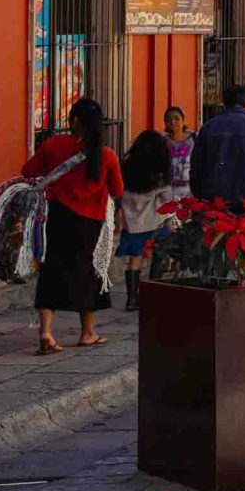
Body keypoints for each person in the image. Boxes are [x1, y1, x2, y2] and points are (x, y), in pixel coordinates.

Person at [21, 99, 122, 354]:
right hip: (90, 223)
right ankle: (88, 333)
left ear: (74, 121)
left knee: (52, 271)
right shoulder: (106, 155)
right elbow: (118, 190)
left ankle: (45, 332)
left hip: (57, 218)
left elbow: (28, 170)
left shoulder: (53, 144)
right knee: (88, 274)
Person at [189, 85, 245, 207]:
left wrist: (200, 195)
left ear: (224, 102)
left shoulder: (208, 128)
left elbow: (197, 167)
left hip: (215, 202)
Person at [117, 129, 170, 313]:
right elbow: (167, 200)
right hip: (155, 223)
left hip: (132, 225)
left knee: (135, 258)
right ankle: (154, 294)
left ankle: (132, 299)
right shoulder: (159, 176)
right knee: (159, 256)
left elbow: (118, 193)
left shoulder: (125, 171)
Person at [162, 106, 195, 200]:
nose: (173, 122)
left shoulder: (194, 139)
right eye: (169, 119)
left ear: (183, 121)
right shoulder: (162, 142)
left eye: (176, 118)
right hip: (169, 194)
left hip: (190, 193)